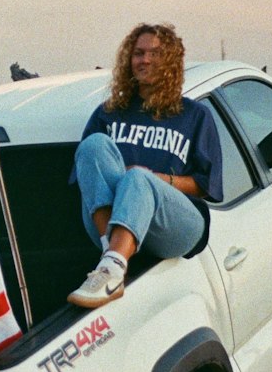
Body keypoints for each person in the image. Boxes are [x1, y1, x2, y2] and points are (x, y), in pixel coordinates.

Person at [68, 22, 223, 309]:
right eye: (138, 53)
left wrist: (156, 179)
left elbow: (205, 185)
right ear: (129, 60)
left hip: (175, 225)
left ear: (171, 63)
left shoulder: (195, 115)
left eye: (155, 54)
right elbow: (89, 180)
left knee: (138, 177)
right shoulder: (107, 114)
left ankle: (112, 267)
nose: (145, 60)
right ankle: (112, 258)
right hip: (112, 222)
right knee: (92, 146)